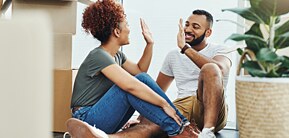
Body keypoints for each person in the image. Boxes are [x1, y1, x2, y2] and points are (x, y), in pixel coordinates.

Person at [66, 9, 232, 138]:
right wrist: (164, 105)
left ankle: (181, 129)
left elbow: (140, 71)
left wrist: (150, 44)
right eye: (127, 25)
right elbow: (132, 85)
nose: (129, 30)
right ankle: (181, 130)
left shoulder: (117, 55)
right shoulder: (98, 56)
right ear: (117, 32)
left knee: (140, 79)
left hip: (99, 115)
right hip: (87, 116)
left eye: (195, 26)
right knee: (135, 87)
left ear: (208, 32)